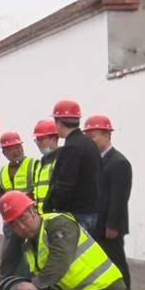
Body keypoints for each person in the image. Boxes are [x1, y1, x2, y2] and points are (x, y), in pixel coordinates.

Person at [0, 191, 127, 290]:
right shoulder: (29, 244)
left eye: (23, 218)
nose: (21, 227)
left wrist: (36, 284)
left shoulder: (59, 224)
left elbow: (60, 259)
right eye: (14, 224)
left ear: (33, 211)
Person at [84, 115, 134, 290]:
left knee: (118, 266)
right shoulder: (95, 161)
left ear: (106, 135)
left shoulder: (119, 163)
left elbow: (119, 197)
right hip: (94, 227)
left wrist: (112, 224)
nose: (90, 141)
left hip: (109, 227)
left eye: (92, 136)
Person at [43, 99, 101, 232]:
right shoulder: (89, 144)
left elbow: (65, 183)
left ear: (58, 123)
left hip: (75, 214)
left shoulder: (72, 147)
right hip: (91, 212)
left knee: (69, 252)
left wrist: (53, 207)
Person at [0, 131, 37, 279]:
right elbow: (0, 195)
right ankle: (6, 281)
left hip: (29, 217)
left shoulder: (33, 165)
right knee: (9, 253)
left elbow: (39, 189)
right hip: (11, 220)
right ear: (4, 152)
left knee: (32, 252)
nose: (15, 152)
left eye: (17, 148)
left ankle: (32, 279)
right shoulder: (2, 172)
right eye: (10, 149)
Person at [31, 118, 59, 214]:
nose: (38, 144)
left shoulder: (62, 161)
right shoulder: (40, 164)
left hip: (57, 216)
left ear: (54, 139)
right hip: (42, 216)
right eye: (37, 140)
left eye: (41, 140)